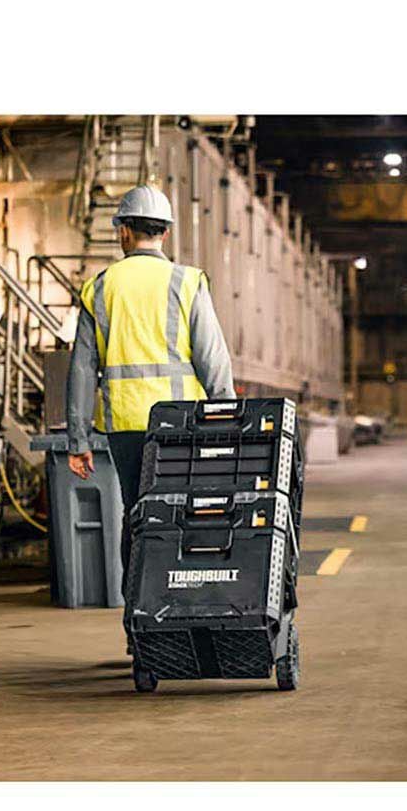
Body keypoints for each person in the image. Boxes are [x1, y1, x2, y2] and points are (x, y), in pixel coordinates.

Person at [65, 184, 235, 600]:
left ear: (123, 230)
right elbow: (213, 358)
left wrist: (78, 440)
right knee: (184, 509)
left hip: (126, 426)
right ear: (166, 232)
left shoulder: (100, 287)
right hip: (182, 423)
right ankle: (183, 603)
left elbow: (82, 370)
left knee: (137, 513)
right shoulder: (187, 281)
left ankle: (138, 610)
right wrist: (228, 420)